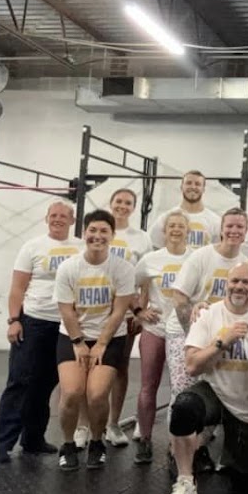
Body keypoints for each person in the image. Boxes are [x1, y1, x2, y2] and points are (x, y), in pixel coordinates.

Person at [162, 262, 248, 494]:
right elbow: (192, 366)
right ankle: (185, 482)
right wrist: (222, 341)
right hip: (215, 392)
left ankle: (233, 452)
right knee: (183, 407)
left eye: (246, 282)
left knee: (242, 480)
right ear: (226, 284)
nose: (239, 286)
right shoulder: (208, 315)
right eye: (235, 281)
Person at [0, 202, 83, 464]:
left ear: (72, 220)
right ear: (46, 218)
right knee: (20, 382)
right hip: (34, 321)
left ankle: (33, 439)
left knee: (45, 384)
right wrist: (14, 320)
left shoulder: (80, 248)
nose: (58, 219)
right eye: (53, 215)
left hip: (65, 325)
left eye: (63, 216)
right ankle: (1, 444)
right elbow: (17, 288)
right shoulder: (32, 247)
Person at [53, 210, 136, 471]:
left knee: (98, 394)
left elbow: (119, 311)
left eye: (104, 231)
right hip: (73, 336)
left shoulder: (123, 268)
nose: (97, 236)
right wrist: (79, 343)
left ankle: (97, 441)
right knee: (71, 393)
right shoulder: (68, 267)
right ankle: (68, 445)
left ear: (112, 235)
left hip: (109, 338)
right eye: (92, 230)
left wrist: (101, 344)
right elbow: (67, 310)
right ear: (84, 233)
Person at [132, 211, 192, 465]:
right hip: (156, 328)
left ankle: (176, 442)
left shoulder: (196, 258)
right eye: (171, 226)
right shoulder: (150, 260)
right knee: (148, 386)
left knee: (182, 389)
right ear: (164, 231)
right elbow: (129, 287)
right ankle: (145, 439)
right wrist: (139, 311)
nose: (176, 230)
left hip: (185, 332)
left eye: (180, 226)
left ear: (188, 231)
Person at [95, 188, 152, 449]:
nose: (122, 206)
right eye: (118, 201)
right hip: (95, 310)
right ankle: (86, 425)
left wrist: (141, 311)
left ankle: (113, 423)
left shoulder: (141, 238)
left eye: (128, 202)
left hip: (127, 311)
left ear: (134, 207)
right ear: (111, 202)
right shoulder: (99, 230)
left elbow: (146, 280)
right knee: (88, 367)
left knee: (119, 367)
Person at [170, 208, 248, 330]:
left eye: (239, 227)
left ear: (246, 231)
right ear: (221, 230)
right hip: (184, 327)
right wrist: (191, 328)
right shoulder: (200, 256)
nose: (234, 231)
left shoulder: (247, 265)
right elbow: (179, 295)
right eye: (229, 226)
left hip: (220, 330)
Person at [149, 171, 222, 251]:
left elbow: (219, 251)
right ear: (181, 187)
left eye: (197, 184)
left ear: (203, 189)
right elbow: (155, 247)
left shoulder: (215, 221)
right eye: (188, 183)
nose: (193, 187)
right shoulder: (165, 218)